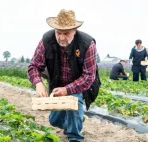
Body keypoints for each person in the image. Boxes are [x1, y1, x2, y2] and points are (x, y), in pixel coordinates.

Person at [28, 9, 97, 142]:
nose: (61, 37)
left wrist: (67, 90)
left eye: (66, 33)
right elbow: (34, 66)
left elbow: (88, 76)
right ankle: (76, 120)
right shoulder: (46, 40)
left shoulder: (87, 44)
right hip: (57, 86)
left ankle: (75, 137)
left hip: (79, 86)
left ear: (75, 30)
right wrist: (38, 83)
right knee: (54, 120)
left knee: (74, 101)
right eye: (58, 32)